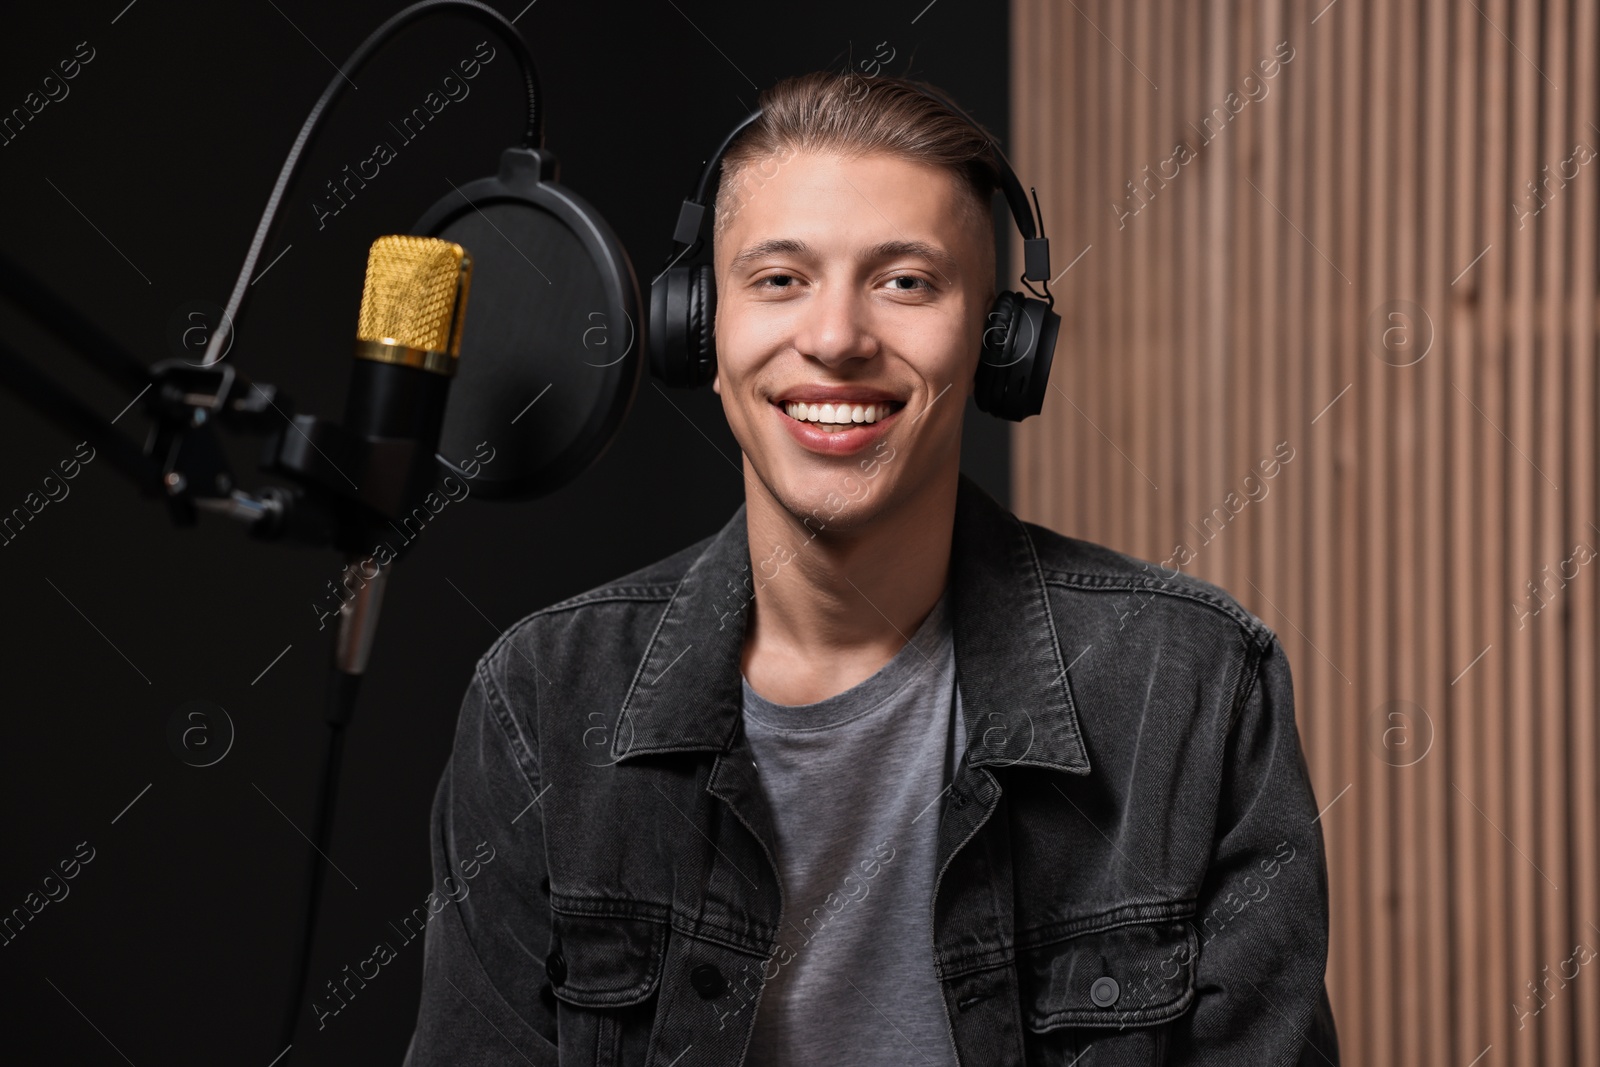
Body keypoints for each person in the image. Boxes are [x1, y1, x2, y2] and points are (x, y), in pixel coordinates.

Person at [404, 70, 1339, 1066]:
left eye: (905, 281)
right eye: (779, 279)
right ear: (699, 329)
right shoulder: (542, 698)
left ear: (997, 340)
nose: (837, 337)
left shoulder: (1191, 686)